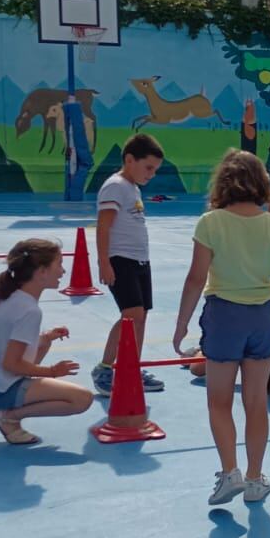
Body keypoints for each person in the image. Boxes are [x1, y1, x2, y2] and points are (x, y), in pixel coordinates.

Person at [173, 150, 270, 507]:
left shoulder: (211, 222)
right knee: (256, 402)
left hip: (224, 316)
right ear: (262, 184)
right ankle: (254, 478)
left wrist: (182, 322)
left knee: (219, 401)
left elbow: (195, 278)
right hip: (264, 316)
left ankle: (229, 472)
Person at [0, 239, 93, 444]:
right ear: (41, 272)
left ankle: (8, 412)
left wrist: (45, 338)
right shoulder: (29, 310)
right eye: (59, 265)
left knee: (44, 343)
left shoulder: (9, 297)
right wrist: (52, 372)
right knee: (82, 399)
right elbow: (11, 364)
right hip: (2, 389)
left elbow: (8, 346)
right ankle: (8, 417)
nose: (63, 272)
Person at [92, 132, 165, 396]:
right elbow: (103, 226)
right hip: (120, 260)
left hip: (139, 261)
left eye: (155, 170)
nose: (151, 174)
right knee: (130, 316)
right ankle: (104, 369)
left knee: (141, 317)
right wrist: (104, 262)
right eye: (148, 168)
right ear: (129, 159)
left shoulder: (132, 188)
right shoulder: (115, 186)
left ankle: (130, 367)